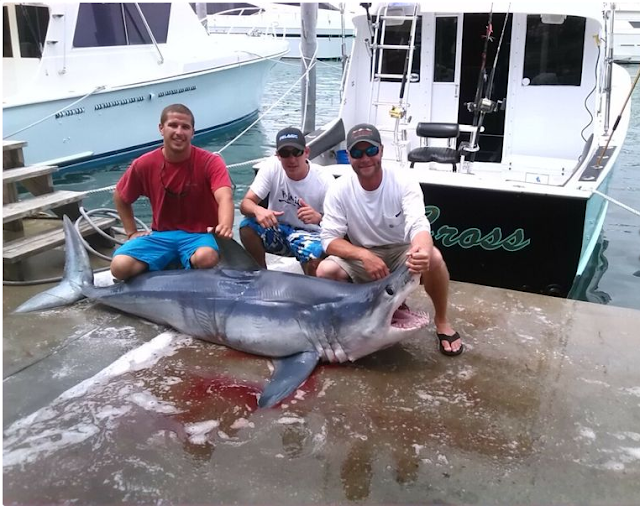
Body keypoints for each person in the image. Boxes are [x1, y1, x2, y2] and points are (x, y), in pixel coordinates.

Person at [317, 123, 463, 356]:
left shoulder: (403, 180)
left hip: (399, 251)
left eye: (371, 151)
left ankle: (442, 321)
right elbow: (329, 239)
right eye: (357, 153)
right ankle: (353, 324)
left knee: (434, 257)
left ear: (381, 151)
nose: (364, 158)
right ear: (350, 157)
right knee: (325, 270)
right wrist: (363, 255)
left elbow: (419, 224)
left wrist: (421, 251)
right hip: (362, 251)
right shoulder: (339, 188)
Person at [110, 103, 234, 281]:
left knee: (206, 257)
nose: (179, 132)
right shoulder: (144, 164)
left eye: (185, 127)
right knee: (119, 266)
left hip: (200, 236)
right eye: (173, 125)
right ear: (161, 128)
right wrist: (131, 232)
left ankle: (172, 263)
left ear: (193, 132)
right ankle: (172, 262)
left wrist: (225, 225)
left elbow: (225, 197)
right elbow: (121, 197)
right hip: (161, 235)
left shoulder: (210, 162)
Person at [239, 127, 334, 276]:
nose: (292, 159)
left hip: (310, 233)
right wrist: (259, 210)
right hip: (279, 229)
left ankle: (312, 287)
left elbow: (338, 224)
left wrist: (318, 218)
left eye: (297, 152)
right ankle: (261, 275)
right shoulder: (271, 167)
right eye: (285, 154)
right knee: (246, 226)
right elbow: (245, 204)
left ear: (306, 152)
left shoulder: (324, 179)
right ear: (278, 155)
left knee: (315, 257)